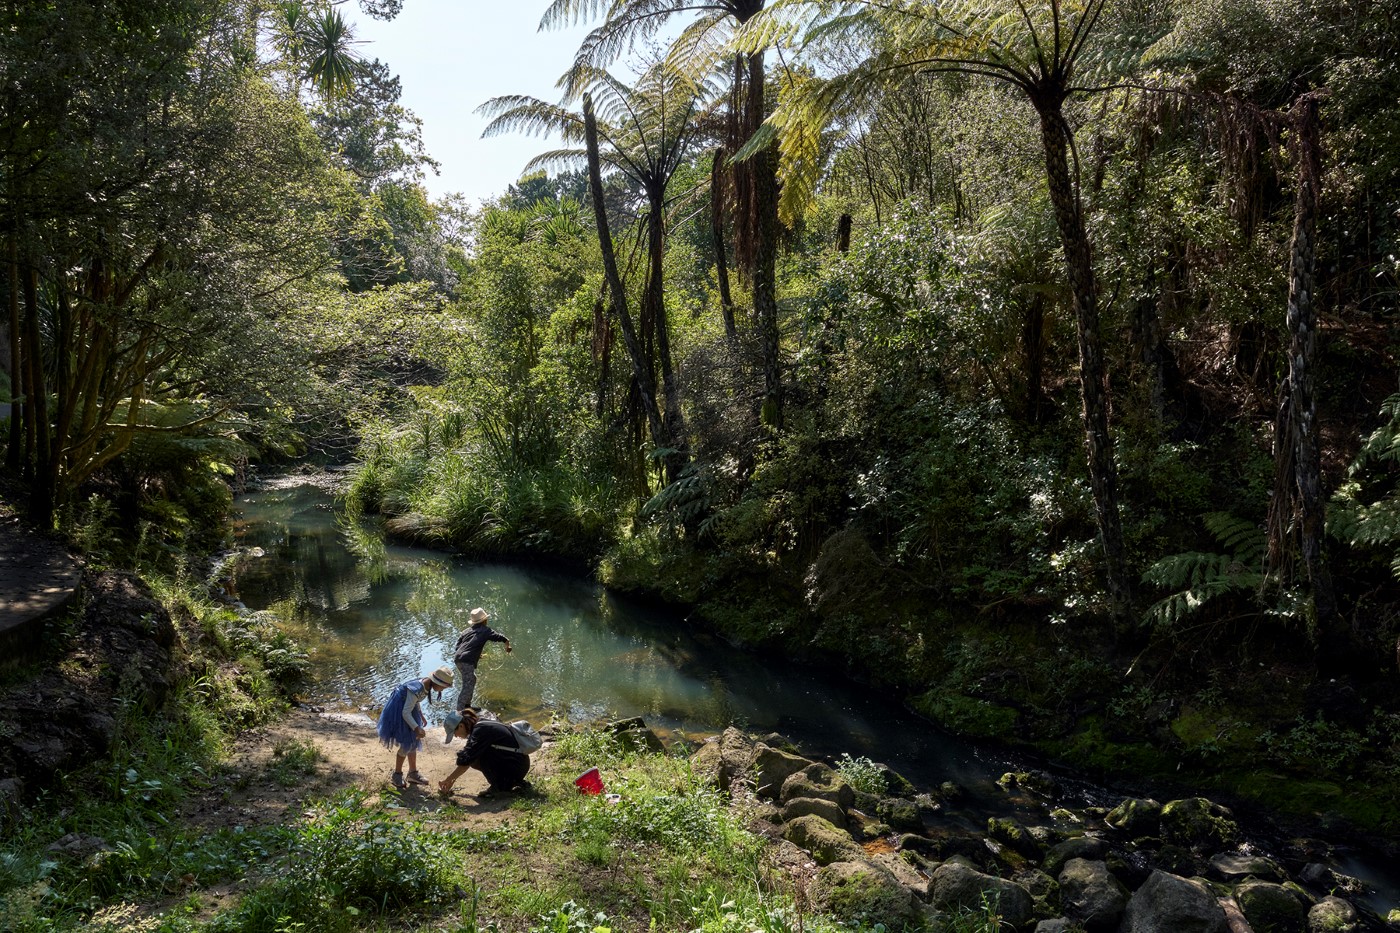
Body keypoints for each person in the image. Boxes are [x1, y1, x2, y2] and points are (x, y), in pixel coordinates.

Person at [376, 666, 453, 789]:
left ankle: (412, 773)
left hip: (408, 708)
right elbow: (405, 712)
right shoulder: (417, 688)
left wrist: (421, 715)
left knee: (414, 741)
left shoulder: (426, 684)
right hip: (399, 710)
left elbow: (415, 701)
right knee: (407, 742)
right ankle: (397, 774)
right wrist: (417, 728)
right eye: (443, 687)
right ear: (436, 682)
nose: (442, 690)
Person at [437, 708, 531, 797]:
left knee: (476, 758)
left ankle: (501, 787)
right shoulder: (481, 724)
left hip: (516, 766)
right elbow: (467, 757)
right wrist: (452, 779)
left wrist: (448, 780)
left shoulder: (480, 731)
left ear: (461, 726)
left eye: (454, 733)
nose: (456, 736)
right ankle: (511, 782)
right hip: (520, 763)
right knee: (473, 756)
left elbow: (465, 760)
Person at [452, 606, 511, 711]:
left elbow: (460, 646)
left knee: (472, 680)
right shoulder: (485, 630)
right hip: (466, 660)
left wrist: (476, 654)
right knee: (467, 685)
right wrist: (507, 644)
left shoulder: (466, 631)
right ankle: (460, 712)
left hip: (458, 658)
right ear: (485, 620)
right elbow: (498, 637)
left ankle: (467, 707)